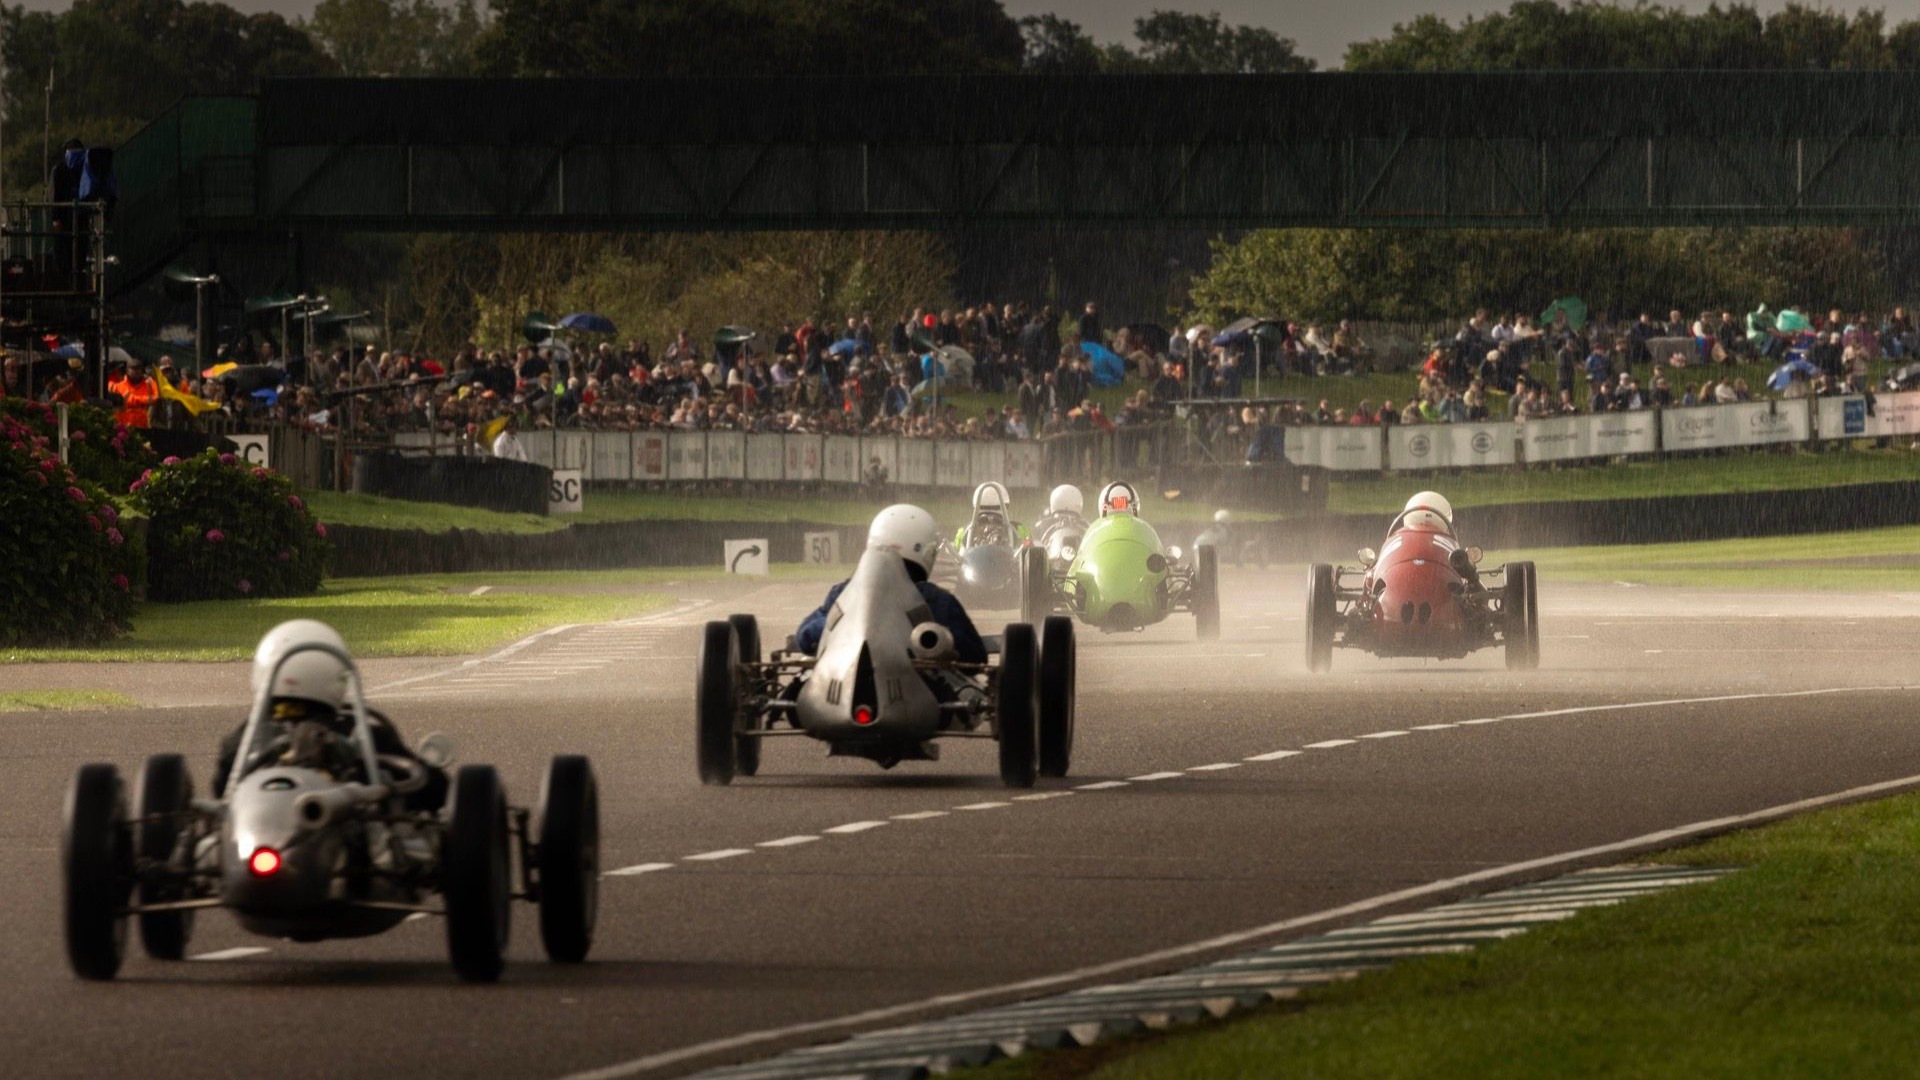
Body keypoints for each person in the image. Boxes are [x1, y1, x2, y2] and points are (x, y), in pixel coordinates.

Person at [215, 620, 447, 810]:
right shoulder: (360, 734)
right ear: (335, 674)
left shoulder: (242, 741)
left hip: (252, 850)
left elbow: (220, 793)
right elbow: (435, 791)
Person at [795, 505, 986, 662]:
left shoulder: (844, 593)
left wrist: (836, 631)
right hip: (915, 696)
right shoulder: (936, 600)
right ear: (927, 552)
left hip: (840, 690)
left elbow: (805, 637)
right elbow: (975, 656)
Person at [107, 357, 159, 429]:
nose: (136, 372)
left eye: (138, 369)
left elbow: (157, 399)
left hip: (143, 426)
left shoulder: (150, 384)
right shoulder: (118, 387)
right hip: (122, 427)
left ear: (142, 371)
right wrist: (144, 401)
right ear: (127, 370)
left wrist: (132, 399)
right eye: (133, 369)